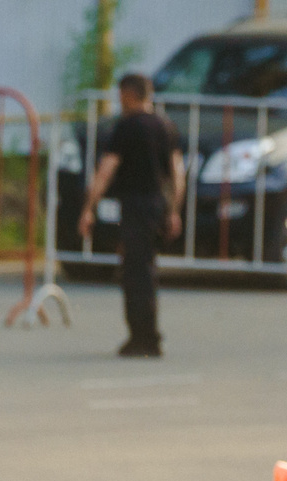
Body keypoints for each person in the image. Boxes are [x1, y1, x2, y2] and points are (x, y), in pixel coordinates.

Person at [78, 72, 181, 359]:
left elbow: (106, 169)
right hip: (158, 204)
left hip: (135, 205)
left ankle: (143, 337)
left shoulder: (126, 127)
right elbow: (177, 173)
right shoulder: (166, 126)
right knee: (147, 269)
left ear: (128, 94)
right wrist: (174, 210)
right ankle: (148, 333)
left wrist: (88, 208)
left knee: (136, 273)